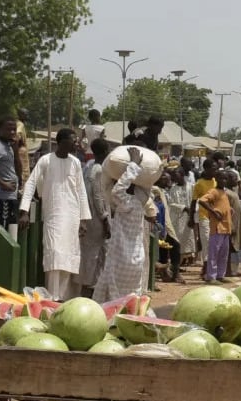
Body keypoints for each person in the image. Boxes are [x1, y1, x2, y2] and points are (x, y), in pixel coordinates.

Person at [20, 128, 92, 299]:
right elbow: (31, 184)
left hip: (72, 215)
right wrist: (24, 210)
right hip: (53, 214)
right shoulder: (45, 160)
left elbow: (81, 191)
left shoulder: (75, 162)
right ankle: (51, 297)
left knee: (68, 257)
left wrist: (83, 219)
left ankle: (64, 299)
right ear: (60, 142)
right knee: (54, 253)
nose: (76, 143)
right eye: (73, 140)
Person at [96, 147, 157, 304]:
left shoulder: (126, 203)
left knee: (113, 299)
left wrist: (133, 165)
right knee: (132, 298)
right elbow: (147, 184)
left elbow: (116, 190)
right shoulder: (140, 202)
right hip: (136, 258)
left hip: (120, 259)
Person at [79, 137, 112, 290]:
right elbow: (98, 195)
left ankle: (88, 284)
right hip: (97, 217)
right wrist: (105, 219)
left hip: (88, 214)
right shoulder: (98, 169)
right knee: (98, 253)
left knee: (89, 251)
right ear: (105, 151)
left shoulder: (88, 166)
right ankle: (92, 286)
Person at [197, 167, 234, 282]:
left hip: (226, 228)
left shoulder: (224, 192)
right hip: (217, 227)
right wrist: (213, 211)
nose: (223, 180)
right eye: (221, 178)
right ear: (217, 179)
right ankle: (211, 276)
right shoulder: (214, 191)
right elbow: (202, 201)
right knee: (214, 253)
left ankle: (220, 275)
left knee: (223, 254)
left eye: (225, 179)